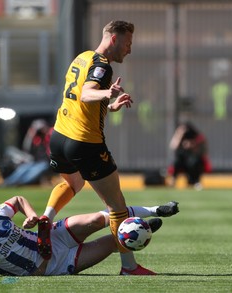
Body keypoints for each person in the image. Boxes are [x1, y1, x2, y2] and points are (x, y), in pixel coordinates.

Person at [36, 20, 156, 275]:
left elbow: (79, 98)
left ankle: (46, 217)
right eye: (128, 43)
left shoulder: (82, 58)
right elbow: (86, 94)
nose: (129, 49)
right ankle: (129, 267)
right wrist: (106, 94)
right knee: (117, 206)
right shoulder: (102, 65)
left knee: (72, 184)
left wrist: (109, 106)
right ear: (114, 39)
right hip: (84, 143)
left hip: (59, 136)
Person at [0, 195, 179, 278]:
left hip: (52, 237)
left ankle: (155, 209)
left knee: (101, 218)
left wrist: (33, 216)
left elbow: (17, 200)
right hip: (55, 264)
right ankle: (141, 229)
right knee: (116, 241)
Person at [0, 119, 52, 187]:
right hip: (35, 161)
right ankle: (8, 182)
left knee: (35, 171)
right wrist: (31, 134)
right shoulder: (37, 138)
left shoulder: (50, 134)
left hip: (47, 163)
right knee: (23, 169)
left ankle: (20, 183)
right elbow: (27, 148)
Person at [168, 121, 211, 190]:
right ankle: (173, 180)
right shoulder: (180, 136)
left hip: (193, 159)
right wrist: (179, 134)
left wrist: (191, 145)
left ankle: (195, 182)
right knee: (177, 161)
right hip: (183, 160)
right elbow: (173, 146)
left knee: (194, 162)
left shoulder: (196, 136)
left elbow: (202, 150)